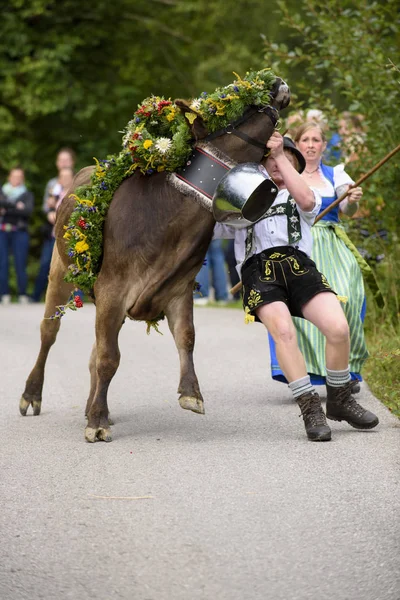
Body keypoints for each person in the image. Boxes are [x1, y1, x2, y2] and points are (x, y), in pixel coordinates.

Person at [214, 132, 378, 442]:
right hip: (258, 270)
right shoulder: (241, 202)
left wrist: (278, 155)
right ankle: (310, 407)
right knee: (285, 333)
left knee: (338, 328)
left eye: (289, 162)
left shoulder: (302, 195)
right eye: (273, 161)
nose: (279, 166)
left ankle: (340, 399)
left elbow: (306, 200)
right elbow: (209, 223)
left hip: (298, 265)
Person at [269, 121, 369, 393]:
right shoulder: (287, 174)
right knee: (301, 309)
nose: (311, 145)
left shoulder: (335, 174)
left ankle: (344, 371)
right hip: (301, 245)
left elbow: (348, 208)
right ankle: (309, 372)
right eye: (306, 140)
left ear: (324, 145)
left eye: (316, 140)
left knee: (349, 299)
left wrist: (353, 198)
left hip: (333, 245)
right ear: (297, 145)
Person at [32, 167, 75, 302]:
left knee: (72, 267)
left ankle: (75, 298)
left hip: (70, 237)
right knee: (46, 264)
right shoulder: (56, 191)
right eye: (62, 177)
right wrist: (50, 209)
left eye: (67, 177)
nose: (65, 180)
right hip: (54, 236)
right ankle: (36, 296)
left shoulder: (75, 193)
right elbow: (48, 209)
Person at [0, 167, 34, 304]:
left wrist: (6, 208)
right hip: (2, 232)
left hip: (20, 232)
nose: (17, 179)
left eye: (20, 177)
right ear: (9, 177)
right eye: (14, 176)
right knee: (2, 263)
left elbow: (27, 211)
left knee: (20, 263)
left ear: (23, 179)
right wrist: (16, 206)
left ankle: (22, 294)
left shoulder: (27, 194)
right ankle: (4, 294)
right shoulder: (2, 190)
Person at [194, 239, 228, 306]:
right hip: (217, 229)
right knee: (217, 254)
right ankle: (222, 296)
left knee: (202, 254)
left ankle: (201, 295)